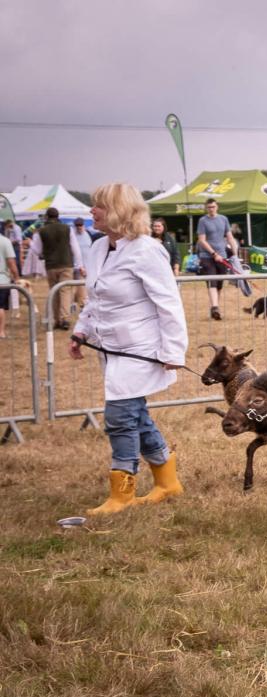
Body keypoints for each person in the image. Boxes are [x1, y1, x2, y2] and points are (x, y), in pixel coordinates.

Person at [68, 183, 188, 514]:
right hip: (112, 350)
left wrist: (173, 352)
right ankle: (168, 481)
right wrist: (81, 332)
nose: (92, 211)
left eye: (99, 206)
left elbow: (169, 305)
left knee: (120, 417)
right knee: (136, 415)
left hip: (142, 350)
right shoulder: (96, 249)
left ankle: (121, 492)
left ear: (119, 211)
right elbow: (95, 298)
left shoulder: (147, 250)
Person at [28, 207, 83, 330]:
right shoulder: (67, 229)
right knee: (65, 291)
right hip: (66, 264)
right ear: (58, 216)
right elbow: (75, 248)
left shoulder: (41, 231)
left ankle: (57, 320)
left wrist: (30, 243)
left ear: (47, 217)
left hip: (51, 265)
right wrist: (80, 265)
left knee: (54, 291)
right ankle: (65, 319)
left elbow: (37, 251)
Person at [196, 198, 239, 320]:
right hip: (207, 256)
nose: (211, 209)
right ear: (206, 208)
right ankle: (215, 306)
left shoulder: (223, 219)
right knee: (212, 281)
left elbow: (229, 237)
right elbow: (202, 240)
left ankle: (215, 308)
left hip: (223, 255)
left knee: (219, 284)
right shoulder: (203, 221)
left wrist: (235, 254)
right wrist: (214, 254)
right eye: (209, 207)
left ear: (217, 207)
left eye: (213, 207)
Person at [0, 232, 14, 337]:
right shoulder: (5, 241)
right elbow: (11, 262)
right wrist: (16, 277)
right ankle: (1, 331)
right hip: (2, 279)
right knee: (0, 307)